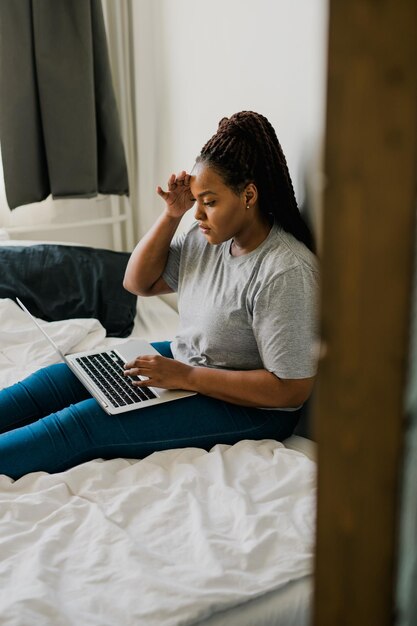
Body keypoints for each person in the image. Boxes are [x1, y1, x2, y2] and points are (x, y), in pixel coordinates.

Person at [0, 111, 319, 480]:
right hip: (190, 363)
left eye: (209, 201)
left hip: (249, 407)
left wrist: (186, 377)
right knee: (54, 383)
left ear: (249, 194)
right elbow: (138, 283)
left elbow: (290, 390)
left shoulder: (285, 270)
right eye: (196, 200)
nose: (198, 213)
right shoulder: (208, 238)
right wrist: (172, 214)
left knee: (79, 424)